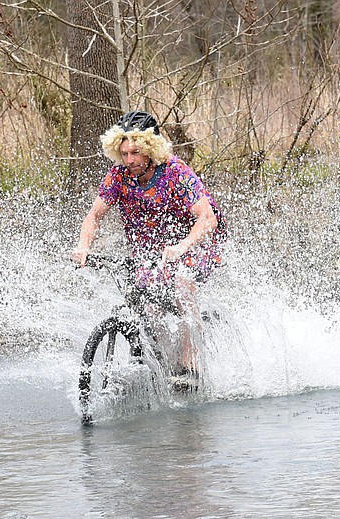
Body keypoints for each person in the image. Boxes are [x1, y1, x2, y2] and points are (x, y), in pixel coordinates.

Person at [71, 111, 227, 385]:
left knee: (182, 283)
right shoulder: (118, 176)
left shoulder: (175, 172)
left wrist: (181, 247)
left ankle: (190, 363)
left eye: (135, 153)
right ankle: (164, 366)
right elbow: (94, 216)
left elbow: (207, 218)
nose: (129, 160)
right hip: (151, 247)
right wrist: (83, 247)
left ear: (151, 150)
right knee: (148, 304)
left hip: (194, 242)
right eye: (124, 153)